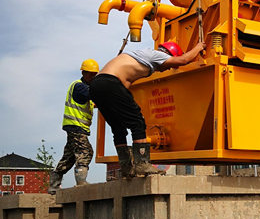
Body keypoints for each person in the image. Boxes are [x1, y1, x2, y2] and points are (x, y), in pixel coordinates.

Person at [89, 40, 204, 178]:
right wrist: (199, 47)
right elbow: (183, 60)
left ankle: (126, 167)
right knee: (138, 122)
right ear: (168, 54)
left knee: (118, 127)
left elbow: (125, 83)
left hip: (97, 86)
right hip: (110, 82)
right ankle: (142, 164)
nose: (167, 68)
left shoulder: (139, 56)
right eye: (169, 65)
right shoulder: (157, 55)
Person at [48, 59, 99, 193]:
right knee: (85, 152)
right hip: (76, 126)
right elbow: (91, 94)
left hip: (75, 127)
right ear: (83, 72)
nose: (93, 77)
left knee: (69, 157)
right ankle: (81, 182)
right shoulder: (79, 86)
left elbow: (93, 101)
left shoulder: (85, 88)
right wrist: (103, 86)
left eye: (95, 74)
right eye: (90, 74)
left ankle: (53, 186)